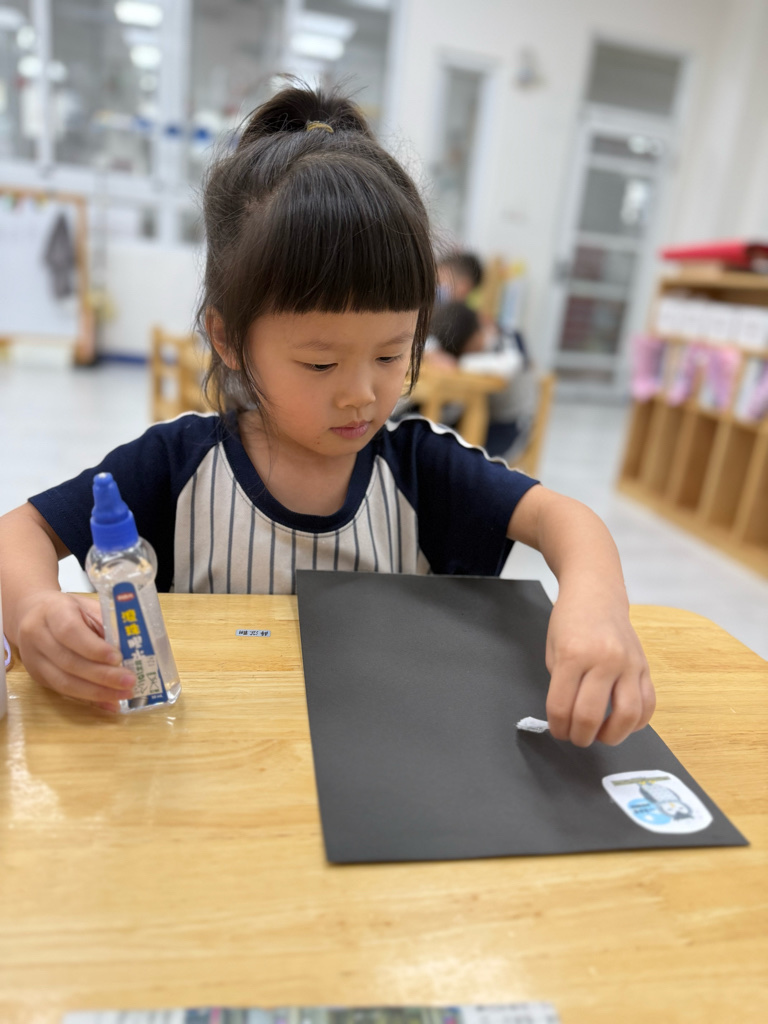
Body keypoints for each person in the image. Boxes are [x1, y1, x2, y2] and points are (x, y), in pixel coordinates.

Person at [0, 83, 654, 747]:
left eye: (391, 354)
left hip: (380, 757)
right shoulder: (176, 467)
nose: (361, 394)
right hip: (210, 764)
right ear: (228, 339)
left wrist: (596, 605)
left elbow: (565, 520)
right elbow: (18, 532)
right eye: (320, 363)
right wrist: (32, 607)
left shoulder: (419, 468)